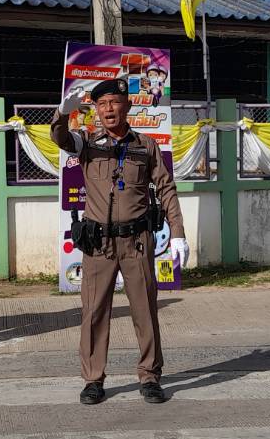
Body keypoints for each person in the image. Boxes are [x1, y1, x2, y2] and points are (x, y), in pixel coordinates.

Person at [50, 78, 189, 405]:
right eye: (102, 104)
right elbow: (60, 138)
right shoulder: (87, 142)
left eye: (114, 102)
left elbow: (166, 188)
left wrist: (178, 232)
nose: (108, 109)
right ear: (97, 111)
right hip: (98, 244)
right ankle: (93, 379)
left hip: (137, 241)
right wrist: (62, 114)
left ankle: (150, 376)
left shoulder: (146, 145)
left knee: (145, 309)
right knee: (94, 312)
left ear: (126, 106)